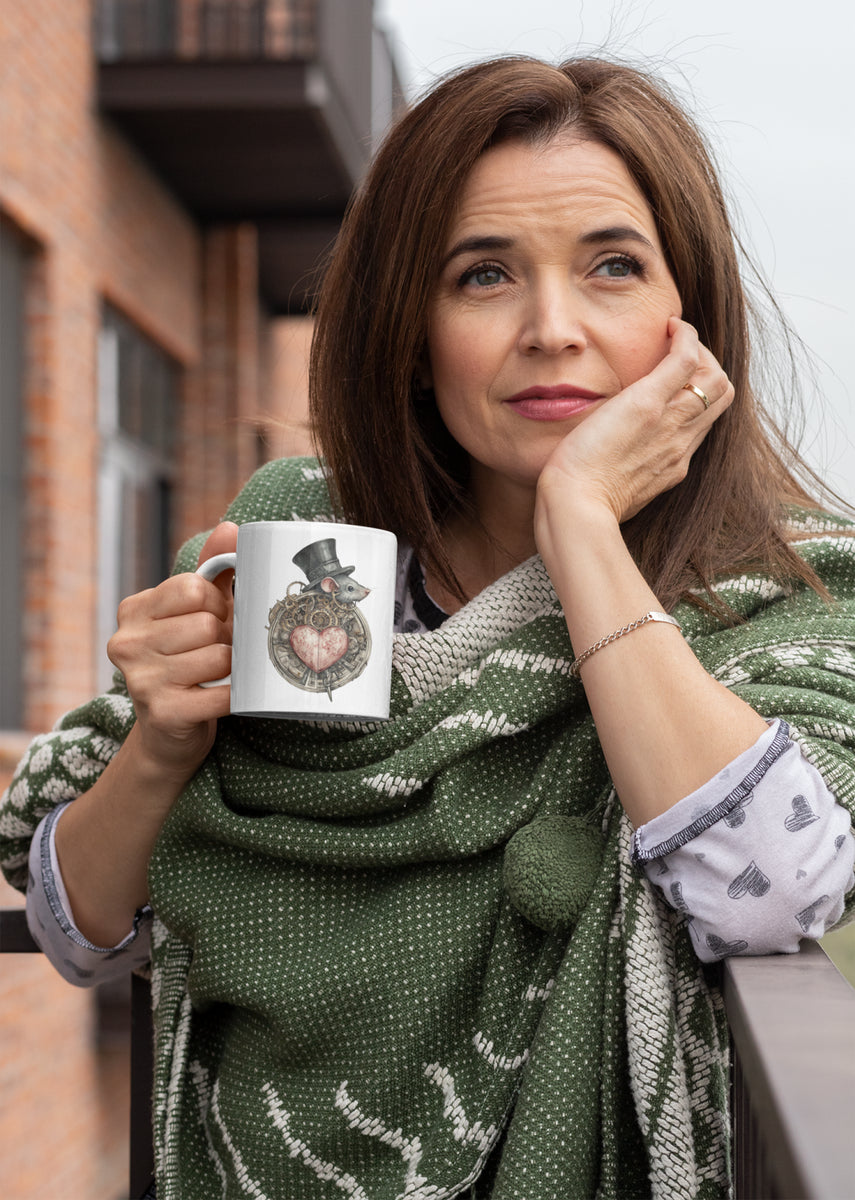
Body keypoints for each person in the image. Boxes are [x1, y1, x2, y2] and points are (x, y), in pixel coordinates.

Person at [2, 55, 855, 1200]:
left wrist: (582, 527)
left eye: (612, 266)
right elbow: (82, 933)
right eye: (484, 275)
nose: (553, 329)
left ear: (685, 318)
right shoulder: (305, 551)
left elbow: (775, 887)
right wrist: (162, 743)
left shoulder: (781, 590)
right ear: (413, 328)